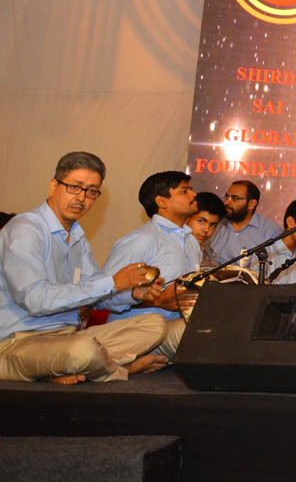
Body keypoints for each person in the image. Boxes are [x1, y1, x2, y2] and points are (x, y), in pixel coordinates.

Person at [0, 152, 166, 383]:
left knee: (154, 325)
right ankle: (122, 370)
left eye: (91, 191)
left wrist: (132, 293)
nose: (81, 198)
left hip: (67, 337)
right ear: (53, 186)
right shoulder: (25, 230)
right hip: (18, 341)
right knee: (83, 350)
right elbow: (34, 300)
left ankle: (68, 368)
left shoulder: (77, 237)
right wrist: (113, 282)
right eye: (74, 187)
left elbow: (94, 294)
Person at [102, 171, 202, 359]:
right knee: (206, 337)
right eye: (184, 191)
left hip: (174, 327)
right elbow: (102, 296)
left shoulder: (191, 242)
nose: (193, 194)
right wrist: (156, 300)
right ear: (162, 202)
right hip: (137, 332)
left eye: (191, 189)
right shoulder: (140, 240)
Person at [209, 180, 280, 265]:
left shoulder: (270, 231)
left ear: (251, 204)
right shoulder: (216, 224)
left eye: (234, 198)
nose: (226, 202)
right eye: (226, 197)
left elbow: (275, 265)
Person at [186, 192, 226, 269]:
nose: (206, 230)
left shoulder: (207, 251)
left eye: (213, 225)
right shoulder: (175, 247)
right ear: (187, 217)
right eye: (201, 221)